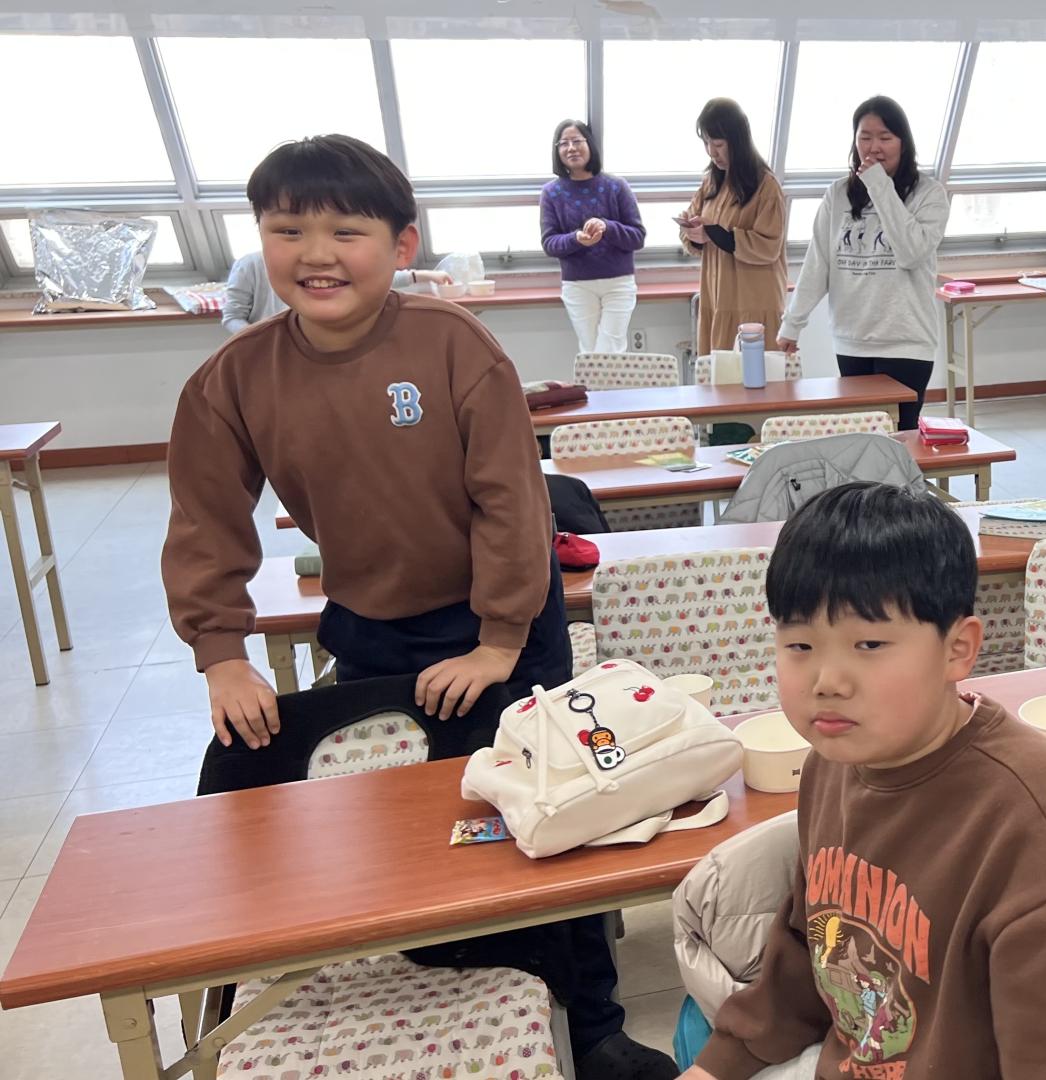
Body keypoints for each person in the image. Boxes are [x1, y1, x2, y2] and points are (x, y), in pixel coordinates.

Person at [161, 133, 675, 1080]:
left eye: (345, 232)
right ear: (260, 240)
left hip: (501, 622)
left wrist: (498, 641)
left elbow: (511, 500)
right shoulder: (236, 378)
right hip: (373, 626)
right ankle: (461, 978)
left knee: (556, 813)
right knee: (419, 823)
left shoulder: (451, 345)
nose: (316, 254)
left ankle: (597, 1026)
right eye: (288, 230)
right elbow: (204, 519)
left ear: (401, 245)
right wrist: (222, 652)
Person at [681, 482, 1046, 1080]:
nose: (827, 680)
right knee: (693, 1034)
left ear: (958, 649)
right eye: (800, 644)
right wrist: (718, 1066)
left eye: (869, 644)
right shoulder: (832, 762)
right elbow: (808, 961)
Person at [777, 96, 950, 431]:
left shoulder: (929, 194)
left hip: (906, 341)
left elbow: (911, 252)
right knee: (862, 438)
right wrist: (792, 324)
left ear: (903, 142)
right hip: (852, 339)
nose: (874, 147)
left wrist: (880, 186)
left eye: (885, 137)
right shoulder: (838, 194)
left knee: (901, 440)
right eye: (865, 137)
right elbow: (818, 264)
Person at [675, 98, 789, 356]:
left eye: (718, 144)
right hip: (717, 299)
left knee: (756, 374)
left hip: (754, 302)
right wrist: (693, 233)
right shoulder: (711, 182)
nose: (711, 152)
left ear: (737, 141)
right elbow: (693, 222)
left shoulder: (766, 186)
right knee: (719, 374)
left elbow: (769, 246)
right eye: (706, 143)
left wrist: (714, 233)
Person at [540, 118, 646, 354]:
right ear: (557, 151)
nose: (571, 148)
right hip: (577, 285)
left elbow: (637, 237)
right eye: (564, 143)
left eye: (577, 141)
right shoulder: (551, 192)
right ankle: (594, 381)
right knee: (590, 351)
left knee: (610, 351)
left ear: (590, 144)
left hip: (618, 282)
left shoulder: (616, 186)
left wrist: (607, 226)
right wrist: (576, 239)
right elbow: (549, 243)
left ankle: (604, 381)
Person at [221, 249, 449, 334]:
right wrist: (260, 341)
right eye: (290, 231)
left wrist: (420, 275)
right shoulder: (249, 265)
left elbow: (368, 279)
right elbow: (232, 317)